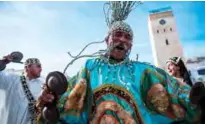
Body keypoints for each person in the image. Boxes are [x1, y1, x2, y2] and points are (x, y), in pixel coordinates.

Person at [37, 1, 200, 124]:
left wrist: (194, 98)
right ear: (106, 40)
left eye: (127, 37)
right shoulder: (90, 67)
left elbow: (174, 91)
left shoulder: (143, 71)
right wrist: (51, 98)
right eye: (117, 35)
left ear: (131, 45)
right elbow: (71, 99)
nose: (122, 40)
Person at [0, 55, 44, 124]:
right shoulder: (11, 79)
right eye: (38, 66)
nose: (41, 69)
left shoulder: (42, 85)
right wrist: (3, 62)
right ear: (28, 67)